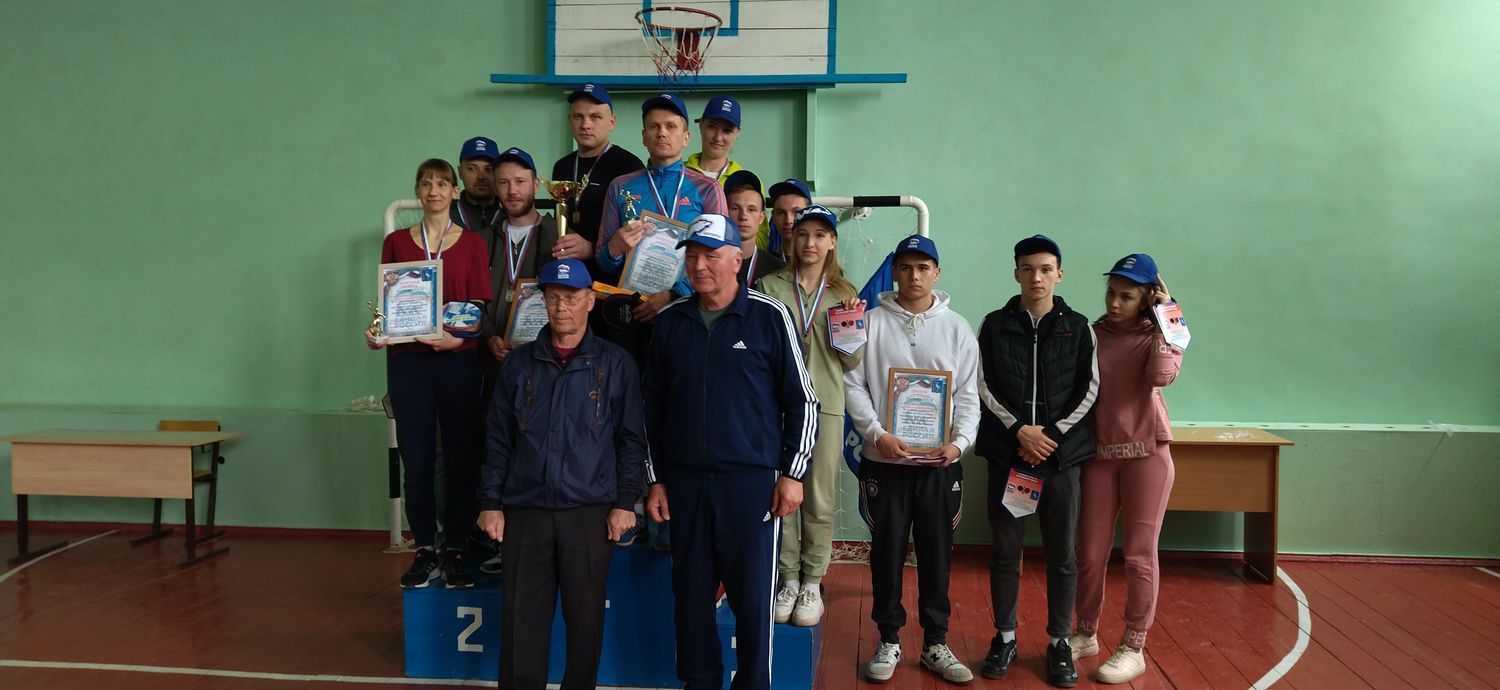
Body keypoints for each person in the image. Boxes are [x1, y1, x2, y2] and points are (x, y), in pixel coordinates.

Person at [640, 213, 817, 690]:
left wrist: (793, 473)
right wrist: (656, 480)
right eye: (693, 256)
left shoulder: (769, 316)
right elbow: (650, 408)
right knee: (691, 598)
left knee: (754, 601)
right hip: (685, 485)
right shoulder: (671, 323)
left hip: (752, 486)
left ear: (737, 260)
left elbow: (804, 401)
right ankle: (699, 683)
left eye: (711, 256)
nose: (699, 266)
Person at [476, 258, 648, 690]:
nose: (561, 307)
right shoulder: (519, 364)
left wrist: (625, 502)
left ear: (590, 301)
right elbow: (497, 438)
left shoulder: (616, 364)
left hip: (590, 513)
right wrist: (490, 502)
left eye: (571, 298)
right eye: (553, 298)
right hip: (526, 510)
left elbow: (631, 440)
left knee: (585, 620)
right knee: (522, 620)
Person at [843, 234, 981, 685]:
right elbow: (852, 385)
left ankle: (936, 642)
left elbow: (968, 396)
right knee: (886, 554)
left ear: (936, 273)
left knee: (936, 555)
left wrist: (958, 444)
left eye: (923, 267)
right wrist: (877, 434)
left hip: (940, 466)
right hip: (884, 464)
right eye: (905, 267)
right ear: (895, 272)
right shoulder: (869, 323)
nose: (914, 276)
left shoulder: (957, 328)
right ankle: (888, 638)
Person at [974, 234, 1099, 687]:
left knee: (1063, 555)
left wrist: (1051, 436)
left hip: (1060, 460)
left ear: (1059, 274)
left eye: (1045, 269)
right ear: (1016, 273)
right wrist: (1020, 432)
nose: (1037, 277)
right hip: (1013, 459)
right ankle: (1005, 636)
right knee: (1006, 551)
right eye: (1028, 269)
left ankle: (1059, 641)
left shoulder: (1079, 327)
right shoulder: (994, 325)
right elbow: (982, 383)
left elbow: (1090, 389)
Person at [367, 158, 492, 590]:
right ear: (417, 192)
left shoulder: (473, 243)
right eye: (425, 183)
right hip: (408, 363)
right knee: (416, 460)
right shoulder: (397, 242)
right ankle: (423, 548)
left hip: (459, 360)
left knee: (460, 459)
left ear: (455, 191)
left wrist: (457, 340)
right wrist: (377, 332)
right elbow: (388, 303)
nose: (434, 190)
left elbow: (478, 306)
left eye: (442, 183)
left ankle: (455, 547)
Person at [1068, 254, 1181, 685]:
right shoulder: (1093, 334)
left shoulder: (1168, 330)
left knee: (1139, 556)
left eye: (1127, 296)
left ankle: (1134, 645)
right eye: (1111, 294)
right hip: (1099, 454)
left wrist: (1167, 316)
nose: (1115, 303)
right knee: (1090, 552)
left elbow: (1161, 376)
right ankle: (1085, 632)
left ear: (1147, 298)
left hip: (1147, 453)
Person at [757, 205, 859, 628]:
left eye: (820, 235)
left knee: (818, 497)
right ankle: (788, 579)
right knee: (781, 492)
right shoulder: (768, 287)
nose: (810, 243)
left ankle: (813, 581)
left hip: (825, 405)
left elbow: (852, 363)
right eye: (803, 234)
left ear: (832, 241)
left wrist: (850, 323)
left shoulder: (844, 293)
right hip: (776, 404)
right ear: (791, 238)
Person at [596, 93, 727, 323]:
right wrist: (614, 249)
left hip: (690, 311)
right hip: (633, 312)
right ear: (644, 136)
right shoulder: (620, 187)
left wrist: (674, 295)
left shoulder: (708, 189)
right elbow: (602, 262)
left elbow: (721, 256)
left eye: (671, 126)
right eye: (653, 126)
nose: (662, 133)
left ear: (686, 137)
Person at [549, 83, 645, 275]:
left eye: (595, 117)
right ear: (569, 120)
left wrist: (591, 248)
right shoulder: (562, 166)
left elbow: (636, 234)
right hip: (570, 273)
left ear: (611, 122)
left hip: (610, 276)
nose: (585, 125)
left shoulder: (629, 166)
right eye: (578, 116)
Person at [480, 147, 560, 370]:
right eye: (503, 183)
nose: (512, 190)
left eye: (520, 181)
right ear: (495, 187)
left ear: (535, 185)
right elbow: (473, 299)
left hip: (543, 358)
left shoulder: (560, 237)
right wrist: (488, 336)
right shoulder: (482, 240)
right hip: (493, 357)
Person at [722, 170, 784, 285]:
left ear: (761, 217)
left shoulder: (778, 270)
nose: (743, 216)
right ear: (725, 213)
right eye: (735, 208)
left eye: (751, 210)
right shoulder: (711, 264)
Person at [684, 95, 744, 182]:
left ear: (737, 133)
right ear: (701, 125)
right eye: (712, 127)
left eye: (727, 130)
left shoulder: (745, 181)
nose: (717, 138)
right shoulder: (676, 173)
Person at [452, 136, 503, 233]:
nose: (481, 176)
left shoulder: (510, 216)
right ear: (460, 172)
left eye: (489, 169)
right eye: (472, 169)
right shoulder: (445, 217)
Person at [764, 177, 811, 258]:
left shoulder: (823, 263)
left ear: (810, 214)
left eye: (796, 212)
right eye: (781, 213)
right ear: (773, 216)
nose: (788, 220)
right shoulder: (765, 262)